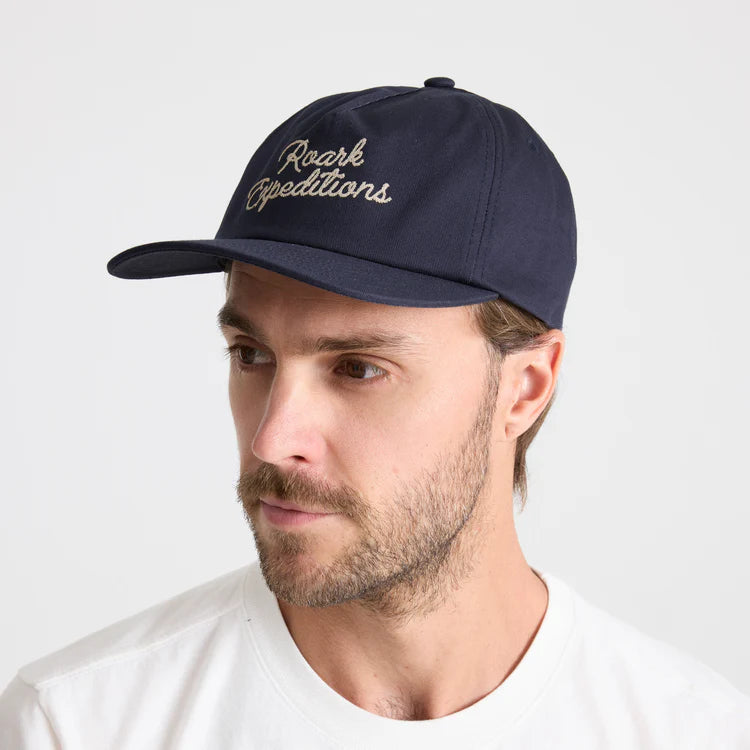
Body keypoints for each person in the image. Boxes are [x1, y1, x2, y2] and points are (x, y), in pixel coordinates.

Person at [1, 77, 748, 748]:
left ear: (524, 387)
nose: (272, 438)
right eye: (251, 355)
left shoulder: (692, 732)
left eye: (358, 368)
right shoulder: (79, 723)